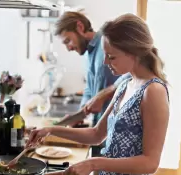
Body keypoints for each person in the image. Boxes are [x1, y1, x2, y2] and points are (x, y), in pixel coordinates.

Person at [27, 13, 169, 175]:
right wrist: (50, 130)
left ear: (133, 52)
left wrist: (94, 164)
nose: (105, 62)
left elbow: (150, 163)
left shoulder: (154, 91)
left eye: (111, 56)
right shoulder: (124, 85)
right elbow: (96, 134)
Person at [54, 11, 130, 127]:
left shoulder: (109, 42)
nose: (68, 48)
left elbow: (134, 73)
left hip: (119, 127)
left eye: (67, 40)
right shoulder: (88, 55)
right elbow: (90, 90)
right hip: (100, 129)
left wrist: (105, 94)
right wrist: (79, 114)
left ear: (80, 27)